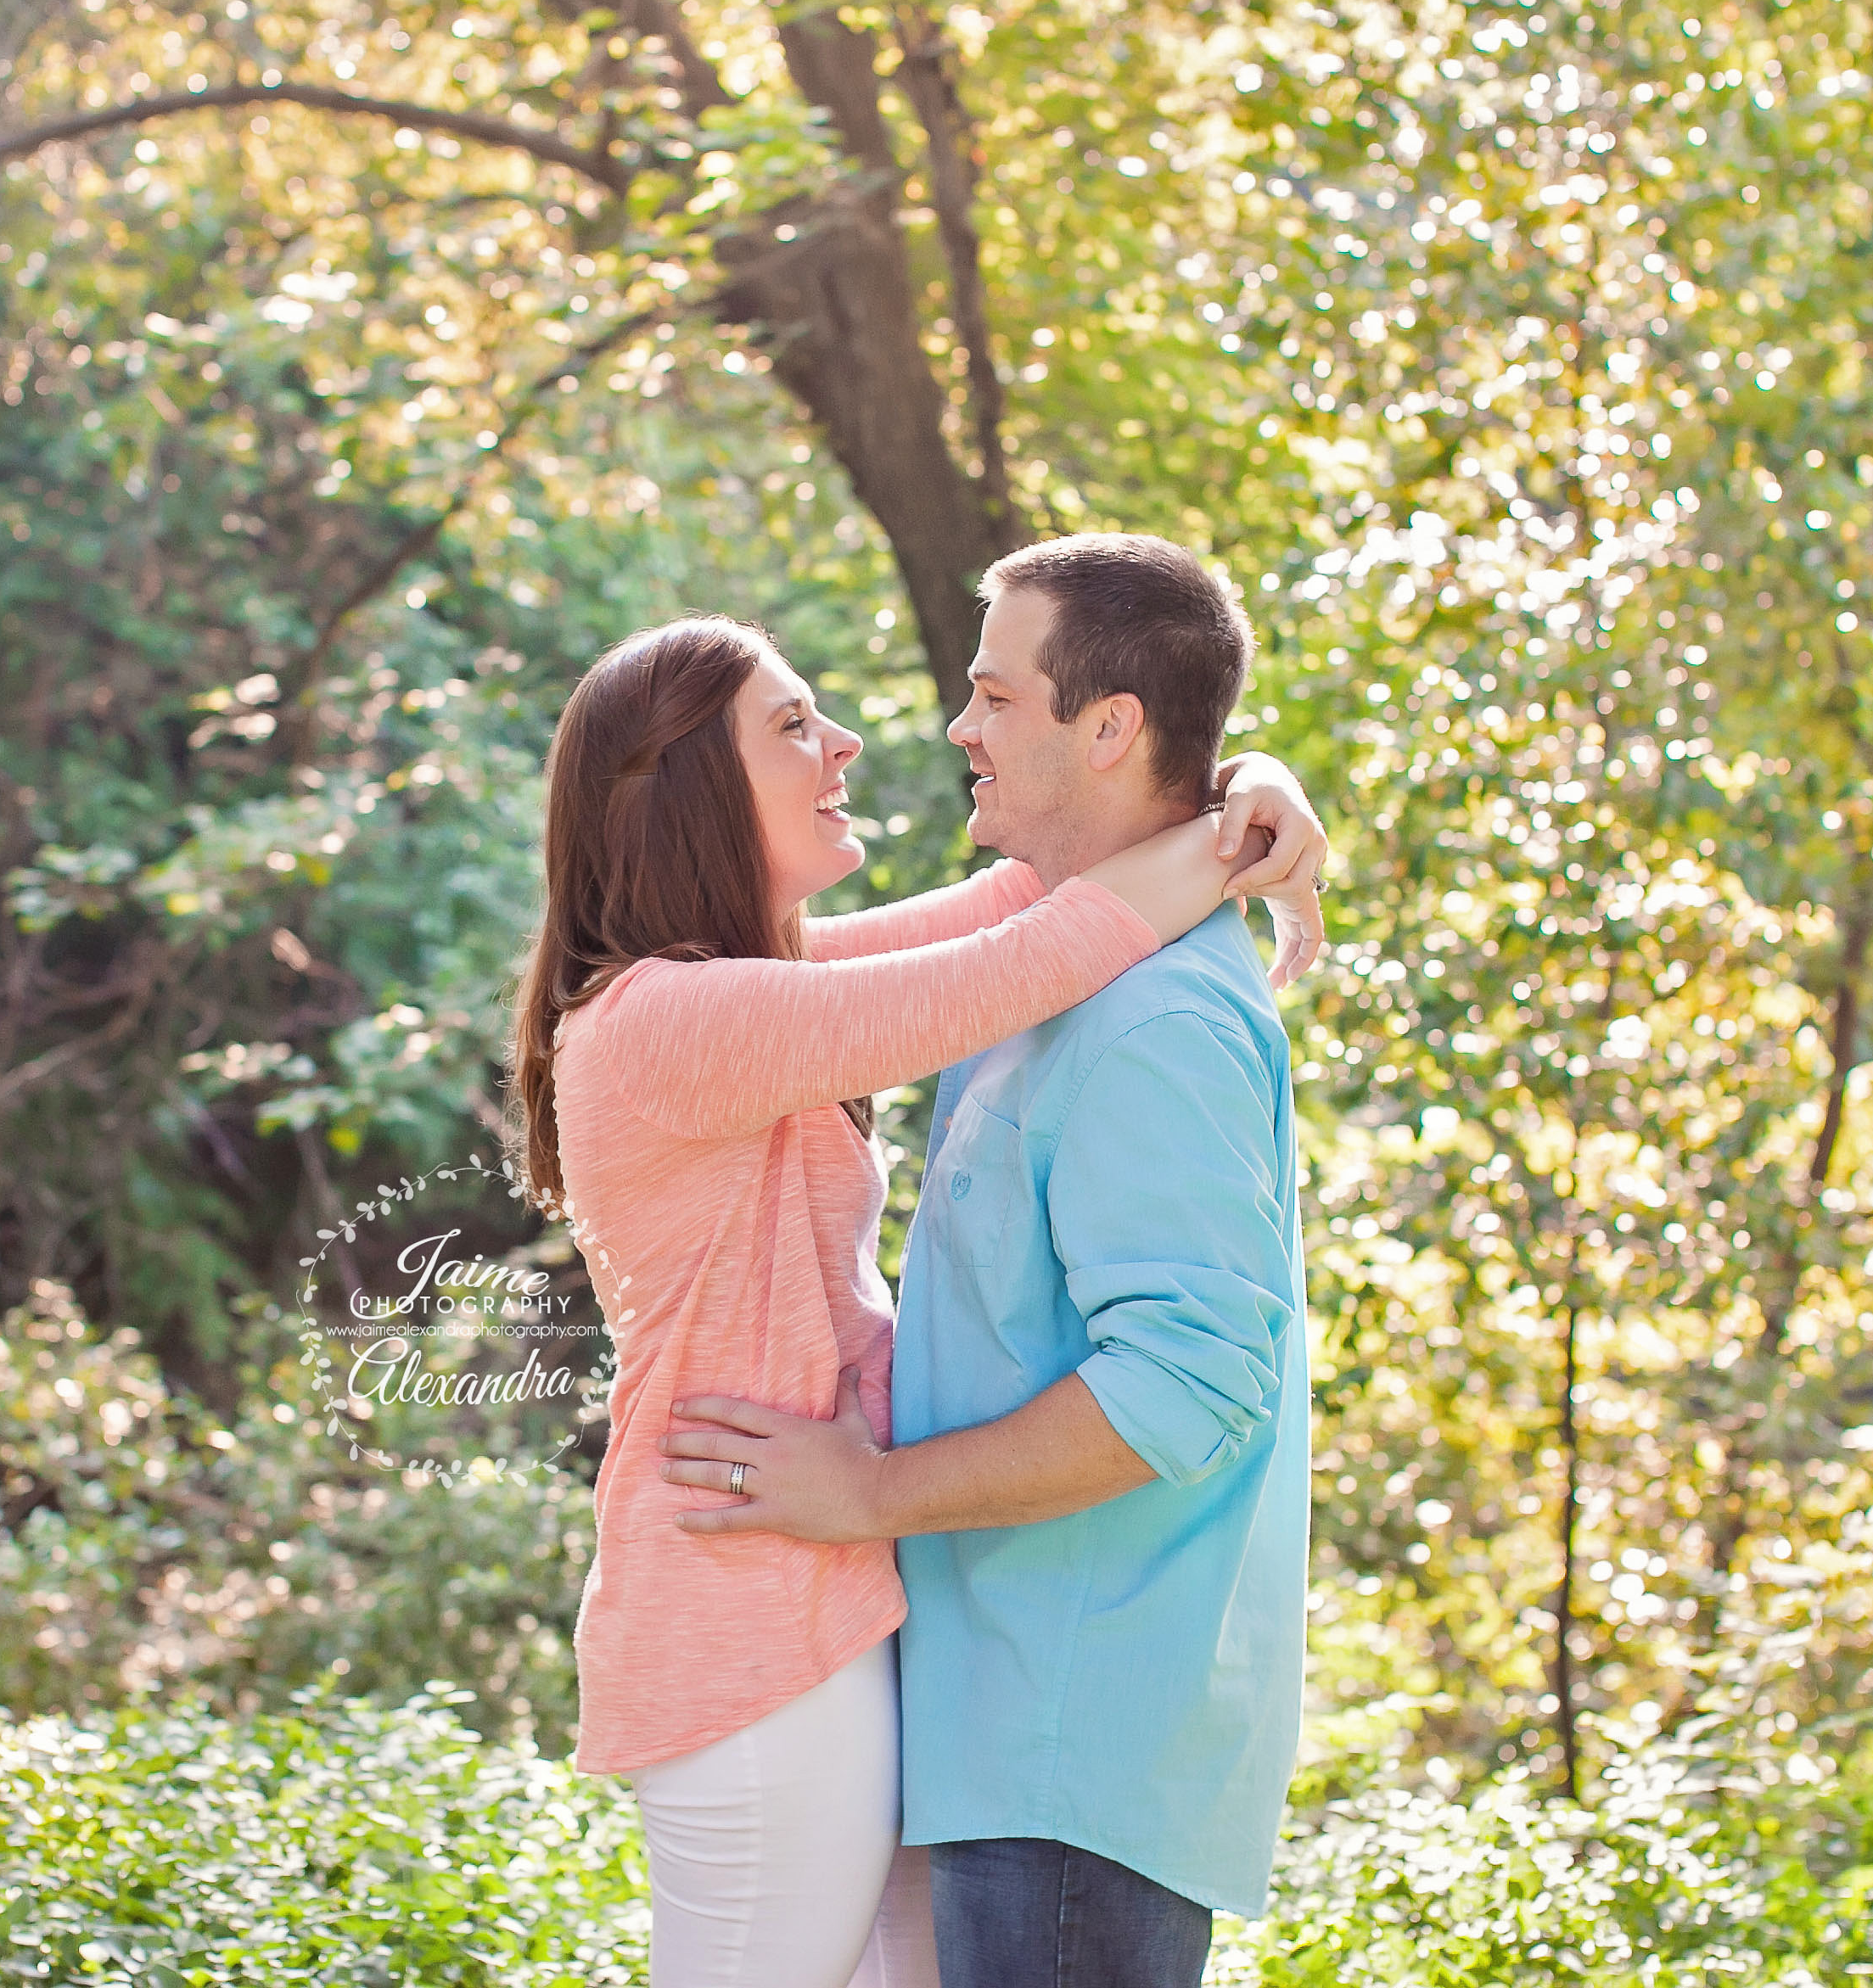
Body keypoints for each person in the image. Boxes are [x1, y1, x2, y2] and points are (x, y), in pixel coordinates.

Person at [508, 604, 1325, 1988]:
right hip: (746, 1598)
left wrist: (1249, 789)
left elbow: (1034, 901)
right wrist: (1236, 830)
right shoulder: (671, 1019)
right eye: (790, 727)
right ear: (688, 787)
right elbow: (1030, 960)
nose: (845, 744)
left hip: (817, 1583)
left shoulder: (753, 986)